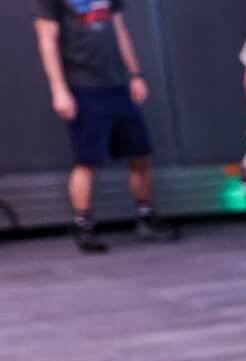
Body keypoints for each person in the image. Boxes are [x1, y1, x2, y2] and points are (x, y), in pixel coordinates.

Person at [31, 0, 178, 253]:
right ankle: (83, 225)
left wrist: (135, 74)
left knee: (139, 154)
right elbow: (47, 41)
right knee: (87, 160)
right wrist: (59, 89)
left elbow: (119, 30)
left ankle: (146, 216)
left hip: (117, 85)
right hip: (83, 87)